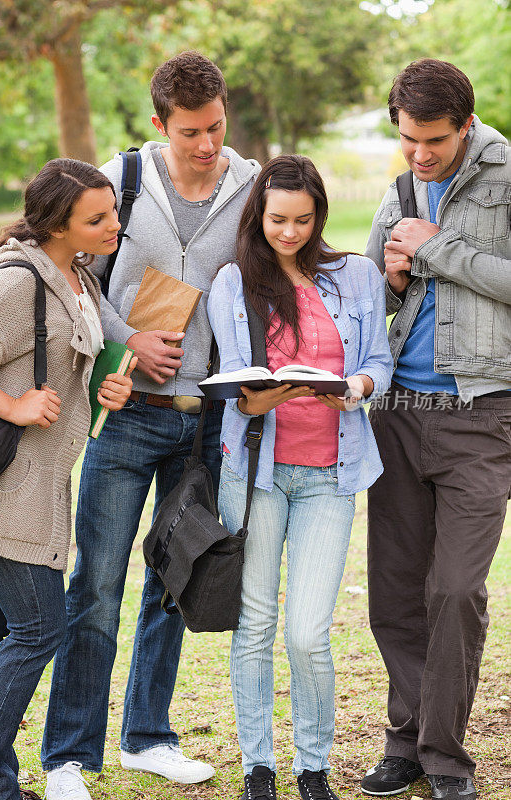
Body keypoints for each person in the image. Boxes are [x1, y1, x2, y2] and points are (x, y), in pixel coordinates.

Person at [41, 51, 260, 799]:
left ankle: (149, 737)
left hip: (211, 419)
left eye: (216, 128)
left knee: (175, 579)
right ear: (158, 122)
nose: (207, 145)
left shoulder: (252, 185)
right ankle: (69, 753)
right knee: (96, 582)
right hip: (130, 411)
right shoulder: (123, 181)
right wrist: (127, 338)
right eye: (191, 131)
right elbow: (75, 273)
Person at [0, 159, 135, 800]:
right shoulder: (19, 282)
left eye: (111, 211)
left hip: (36, 481)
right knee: (38, 628)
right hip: (10, 487)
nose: (112, 225)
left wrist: (106, 385)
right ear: (57, 224)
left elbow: (68, 361)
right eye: (96, 218)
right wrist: (13, 407)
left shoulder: (74, 274)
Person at [207, 155, 393, 800]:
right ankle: (258, 764)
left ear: (320, 217)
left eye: (303, 220)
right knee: (254, 625)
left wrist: (359, 385)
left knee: (308, 631)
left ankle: (313, 766)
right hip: (257, 471)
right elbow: (237, 388)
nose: (289, 233)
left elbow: (378, 360)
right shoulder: (235, 283)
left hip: (331, 475)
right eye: (277, 220)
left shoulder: (358, 276)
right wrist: (269, 394)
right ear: (258, 216)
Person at [360, 59, 511, 800]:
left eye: (435, 142)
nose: (420, 155)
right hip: (397, 416)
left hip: (481, 415)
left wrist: (434, 249)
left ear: (467, 124)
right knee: (392, 592)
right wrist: (389, 280)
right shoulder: (400, 185)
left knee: (454, 588)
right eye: (409, 140)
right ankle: (406, 743)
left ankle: (447, 757)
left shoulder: (507, 175)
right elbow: (372, 291)